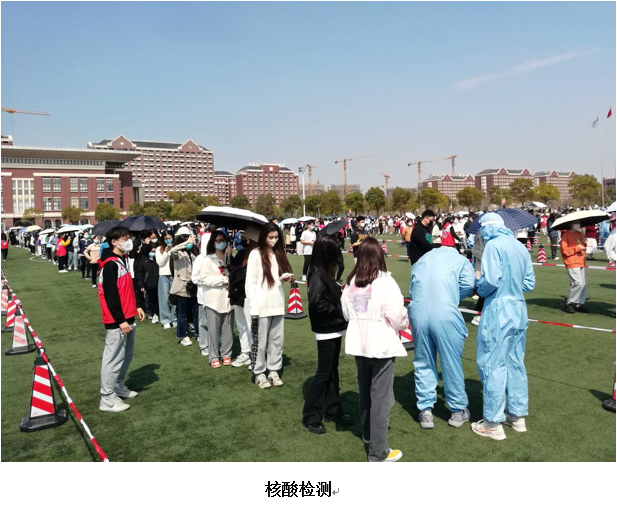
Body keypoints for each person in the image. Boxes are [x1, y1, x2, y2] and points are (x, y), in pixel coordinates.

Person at [341, 237, 409, 462]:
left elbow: (346, 312)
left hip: (359, 342)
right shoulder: (385, 281)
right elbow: (397, 315)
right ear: (379, 255)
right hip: (380, 343)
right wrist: (403, 323)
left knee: (366, 392)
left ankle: (369, 434)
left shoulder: (352, 281)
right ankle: (379, 452)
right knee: (380, 398)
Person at [471, 213, 535, 441]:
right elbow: (529, 282)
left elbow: (491, 280)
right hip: (519, 308)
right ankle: (517, 416)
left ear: (486, 228)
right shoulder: (520, 246)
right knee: (515, 362)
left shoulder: (493, 246)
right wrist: (512, 286)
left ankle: (492, 422)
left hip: (498, 309)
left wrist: (479, 288)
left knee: (493, 363)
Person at [409, 246, 475, 429]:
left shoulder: (421, 260)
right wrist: (452, 296)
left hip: (418, 311)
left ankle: (425, 411)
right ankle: (457, 411)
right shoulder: (461, 260)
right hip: (445, 312)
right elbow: (469, 284)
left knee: (423, 360)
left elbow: (412, 287)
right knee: (450, 361)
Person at [302, 233, 350, 434]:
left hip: (333, 327)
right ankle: (311, 415)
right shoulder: (317, 274)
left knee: (332, 370)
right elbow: (317, 303)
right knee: (324, 372)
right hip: (326, 328)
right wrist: (339, 309)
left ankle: (332, 410)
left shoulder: (324, 272)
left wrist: (338, 291)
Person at [97, 226, 146, 412]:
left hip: (127, 315)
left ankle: (118, 386)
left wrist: (137, 305)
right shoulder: (110, 264)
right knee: (113, 359)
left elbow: (127, 288)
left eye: (129, 237)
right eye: (125, 238)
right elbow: (110, 295)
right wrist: (120, 320)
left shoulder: (121, 260)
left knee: (126, 355)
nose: (129, 241)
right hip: (117, 320)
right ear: (114, 242)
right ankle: (107, 398)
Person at [246, 223, 294, 389]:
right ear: (263, 237)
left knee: (276, 341)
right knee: (260, 342)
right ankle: (259, 373)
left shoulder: (278, 253)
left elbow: (276, 278)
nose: (274, 241)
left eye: (276, 237)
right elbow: (250, 283)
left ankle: (273, 370)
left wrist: (283, 278)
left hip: (278, 302)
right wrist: (253, 307)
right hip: (261, 304)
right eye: (270, 237)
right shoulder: (255, 254)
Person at [200, 230, 234, 368]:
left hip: (228, 298)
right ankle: (214, 356)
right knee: (213, 330)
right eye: (218, 241)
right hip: (213, 299)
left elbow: (234, 273)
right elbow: (204, 279)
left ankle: (226, 354)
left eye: (223, 240)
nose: (221, 243)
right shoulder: (208, 259)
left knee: (228, 328)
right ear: (213, 243)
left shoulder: (229, 257)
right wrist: (223, 280)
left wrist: (229, 256)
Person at [170, 227, 200, 346]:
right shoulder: (178, 252)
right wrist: (186, 243)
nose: (189, 241)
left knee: (196, 312)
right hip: (182, 286)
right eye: (186, 238)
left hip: (193, 285)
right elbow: (172, 251)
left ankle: (198, 333)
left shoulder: (194, 251)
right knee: (181, 313)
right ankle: (182, 336)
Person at [560, 221, 588, 314]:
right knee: (578, 283)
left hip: (581, 261)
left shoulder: (579, 234)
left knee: (583, 284)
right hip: (572, 262)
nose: (578, 225)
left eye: (579, 223)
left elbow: (583, 246)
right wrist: (578, 248)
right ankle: (570, 303)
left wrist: (585, 243)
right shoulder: (566, 235)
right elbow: (564, 251)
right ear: (571, 224)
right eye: (576, 223)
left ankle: (578, 303)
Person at [134, 244, 160, 324]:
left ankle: (156, 313)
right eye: (152, 249)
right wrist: (141, 284)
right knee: (151, 299)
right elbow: (140, 274)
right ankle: (152, 313)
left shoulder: (157, 259)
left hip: (158, 282)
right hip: (149, 283)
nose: (153, 251)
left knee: (158, 299)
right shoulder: (143, 261)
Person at [156, 231, 176, 330]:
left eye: (169, 238)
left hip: (174, 274)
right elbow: (160, 263)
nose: (168, 240)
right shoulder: (159, 249)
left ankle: (174, 318)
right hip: (163, 275)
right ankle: (165, 319)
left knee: (174, 297)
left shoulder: (175, 248)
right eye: (166, 238)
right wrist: (166, 252)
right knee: (163, 298)